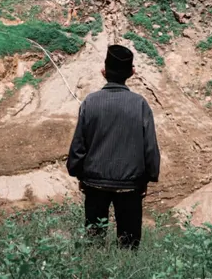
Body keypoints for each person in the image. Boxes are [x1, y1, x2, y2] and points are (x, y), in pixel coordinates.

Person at [66, 45, 160, 249]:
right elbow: (150, 147)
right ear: (132, 73)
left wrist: (77, 172)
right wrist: (149, 177)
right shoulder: (140, 104)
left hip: (94, 183)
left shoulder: (90, 102)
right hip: (130, 185)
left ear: (104, 71)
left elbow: (79, 144)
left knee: (93, 241)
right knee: (129, 244)